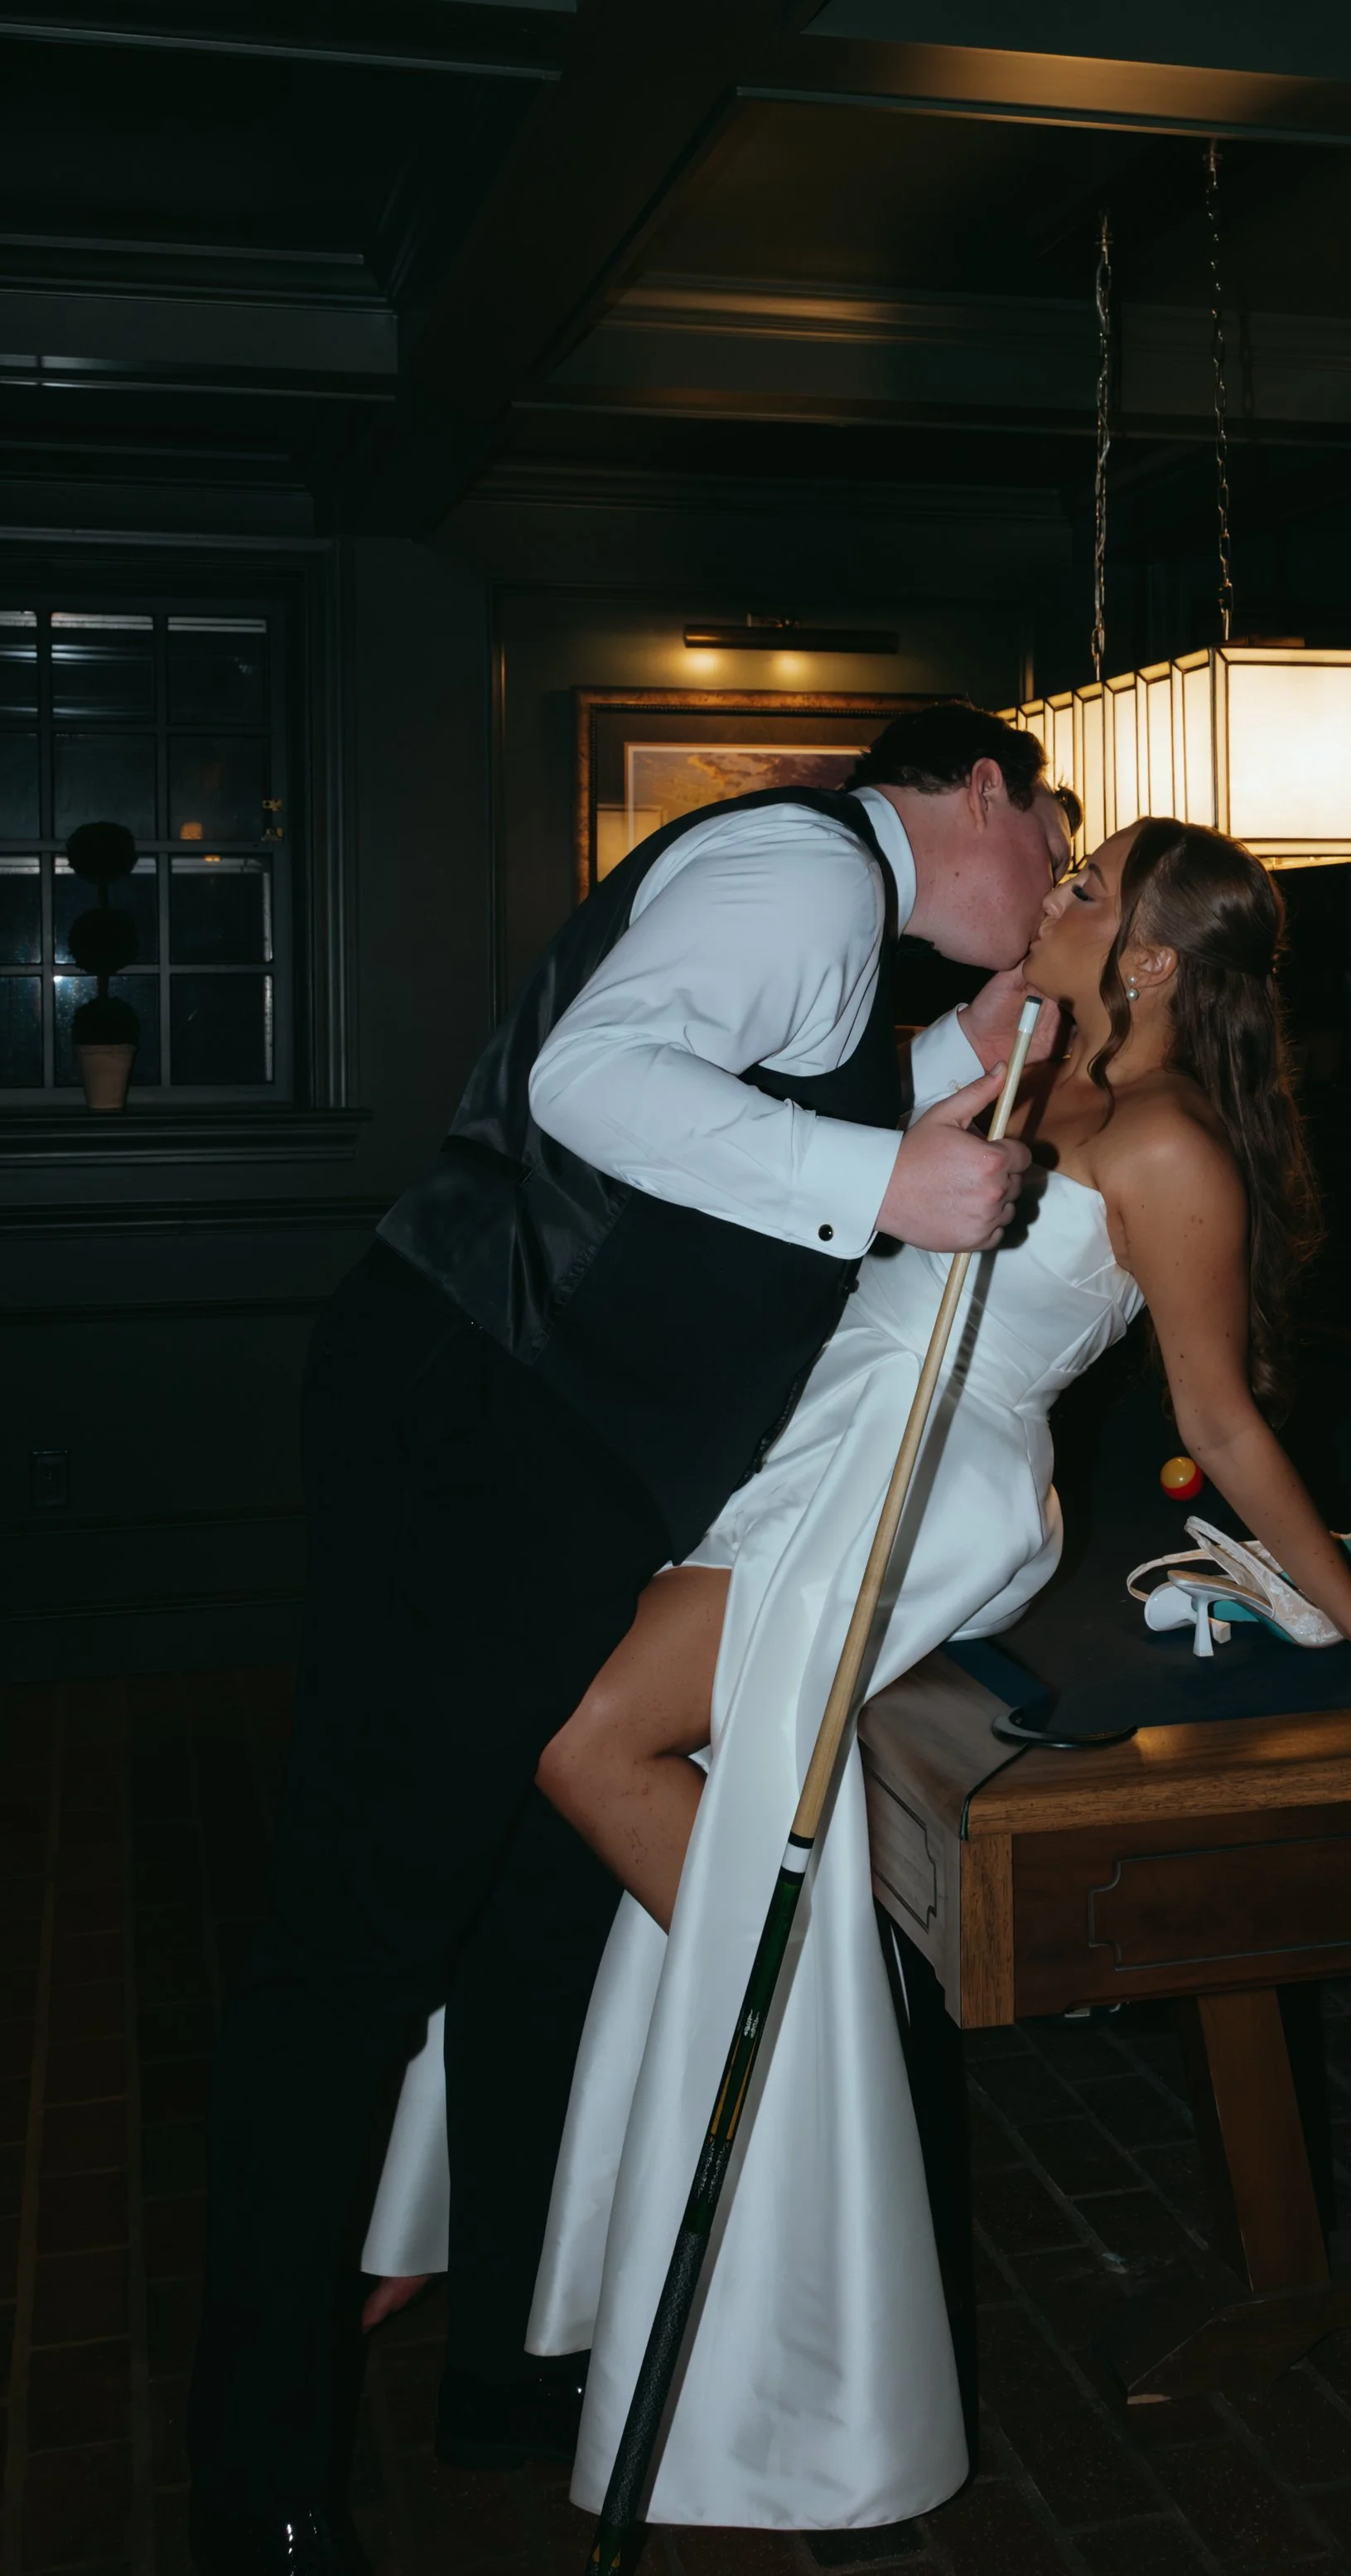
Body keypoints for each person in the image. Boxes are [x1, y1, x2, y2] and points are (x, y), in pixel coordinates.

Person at [362, 816, 1351, 2534]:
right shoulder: (1022, 1068)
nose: (1049, 906)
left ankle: (796, 2052)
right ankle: (785, 2028)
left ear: (1145, 958)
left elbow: (1214, 1413)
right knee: (644, 1760)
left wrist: (1350, 1615)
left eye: (1083, 893)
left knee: (587, 1747)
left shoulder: (1167, 1152)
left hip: (933, 1479)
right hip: (818, 1438)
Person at [185, 705, 1074, 2576]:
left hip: (537, 1447)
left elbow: (751, 1104)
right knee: (358, 1939)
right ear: (980, 784)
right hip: (483, 1427)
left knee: (528, 1913)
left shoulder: (834, 931)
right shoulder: (808, 866)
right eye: (1057, 842)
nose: (1060, 885)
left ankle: (505, 2377)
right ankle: (251, 2477)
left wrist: (936, 1061)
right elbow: (601, 1082)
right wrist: (894, 1182)